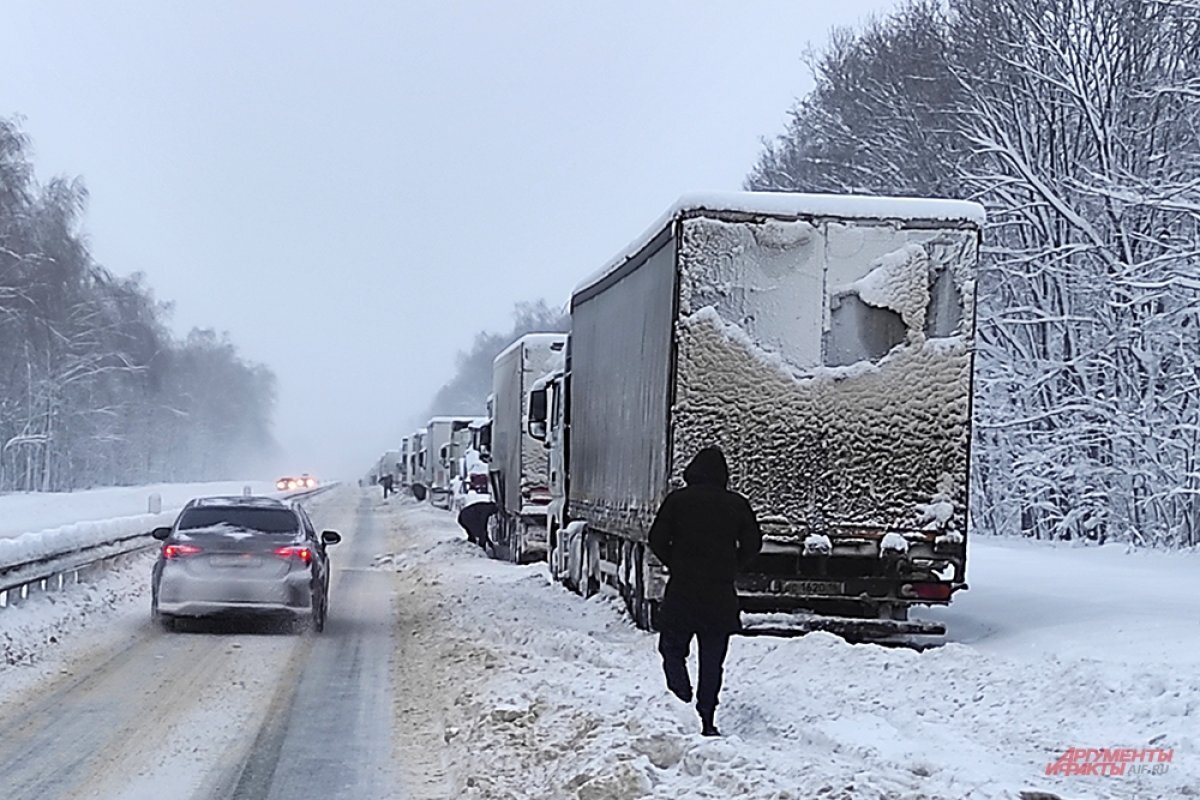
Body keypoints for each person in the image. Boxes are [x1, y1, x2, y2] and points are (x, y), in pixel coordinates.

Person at [648, 446, 762, 737]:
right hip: (719, 596)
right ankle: (707, 717)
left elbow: (657, 538)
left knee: (672, 649)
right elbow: (753, 544)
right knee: (712, 660)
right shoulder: (736, 504)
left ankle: (680, 697)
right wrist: (732, 566)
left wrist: (676, 562)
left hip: (682, 593)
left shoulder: (678, 502)